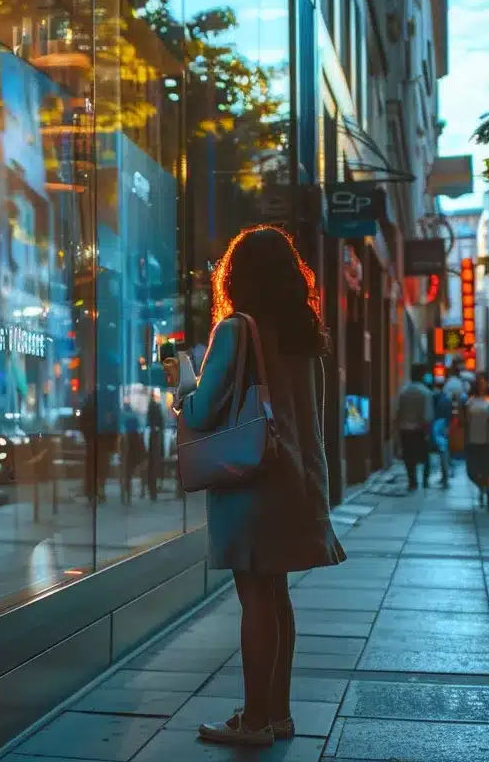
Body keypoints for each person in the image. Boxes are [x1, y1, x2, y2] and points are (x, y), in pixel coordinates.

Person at [163, 225, 344, 747]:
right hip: (298, 481)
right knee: (279, 598)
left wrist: (181, 383)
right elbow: (311, 417)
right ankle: (279, 713)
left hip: (253, 484)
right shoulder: (305, 336)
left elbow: (201, 408)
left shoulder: (237, 330)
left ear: (235, 276)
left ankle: (256, 718)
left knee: (255, 600)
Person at [464, 375, 489, 510]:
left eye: (484, 383)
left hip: (488, 442)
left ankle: (488, 492)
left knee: (487, 470)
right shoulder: (469, 401)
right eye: (480, 383)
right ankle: (483, 486)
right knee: (472, 471)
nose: (482, 385)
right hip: (472, 441)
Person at [396, 364, 435, 491]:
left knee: (408, 457)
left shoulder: (404, 391)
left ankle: (412, 481)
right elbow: (427, 415)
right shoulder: (425, 392)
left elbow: (398, 412)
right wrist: (427, 430)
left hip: (405, 429)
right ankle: (425, 480)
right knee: (425, 456)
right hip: (420, 429)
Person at [431, 378, 455, 487]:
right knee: (444, 451)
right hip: (444, 424)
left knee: (443, 451)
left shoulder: (436, 397)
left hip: (438, 424)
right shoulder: (446, 398)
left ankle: (445, 477)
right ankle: (445, 476)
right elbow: (450, 414)